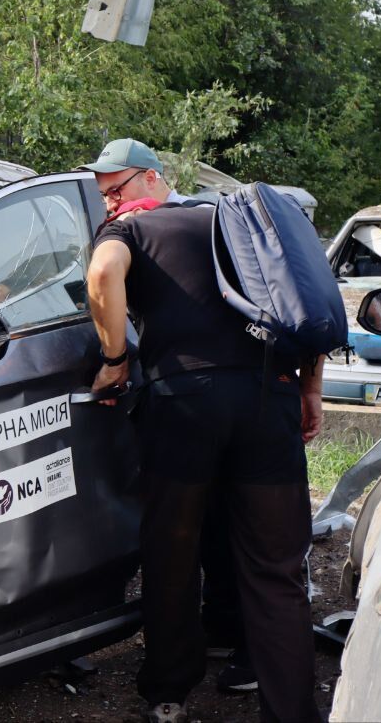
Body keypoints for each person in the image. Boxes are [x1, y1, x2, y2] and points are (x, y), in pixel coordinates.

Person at [80, 138, 323, 723]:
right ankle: (291, 711)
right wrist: (310, 389)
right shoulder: (237, 225)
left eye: (117, 190)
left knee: (172, 552)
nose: (111, 204)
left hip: (183, 402)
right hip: (268, 400)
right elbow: (306, 298)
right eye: (104, 196)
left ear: (151, 179)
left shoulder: (131, 234)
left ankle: (168, 694)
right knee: (275, 566)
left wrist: (115, 359)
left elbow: (101, 276)